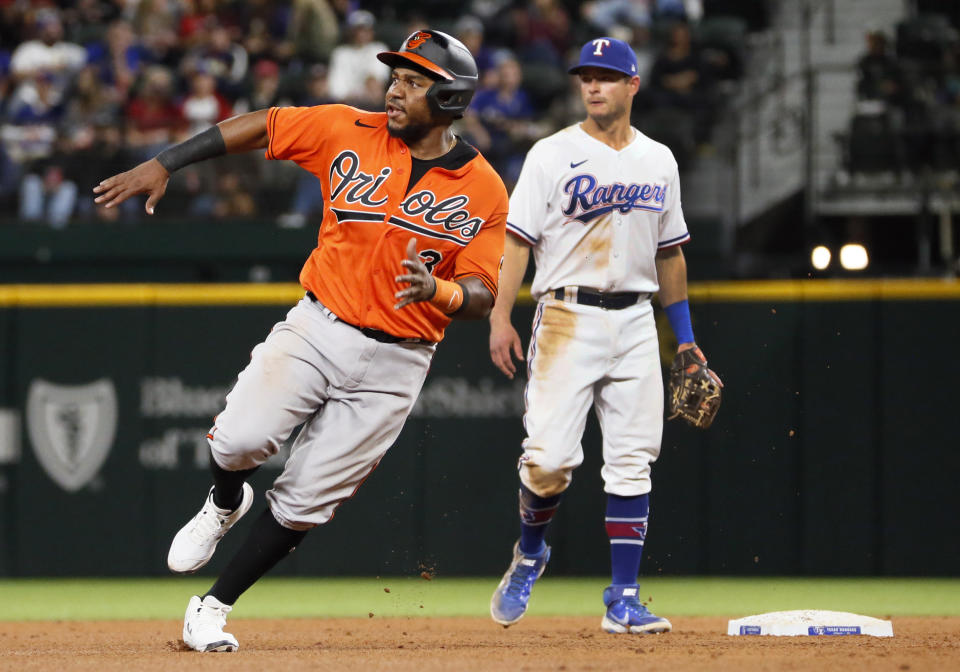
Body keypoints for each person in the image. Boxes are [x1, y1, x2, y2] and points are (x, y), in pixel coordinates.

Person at [94, 29, 506, 653]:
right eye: (396, 77)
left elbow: (481, 291)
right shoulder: (346, 129)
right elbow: (265, 124)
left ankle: (212, 608)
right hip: (320, 325)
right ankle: (224, 500)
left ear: (450, 100)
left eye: (415, 82)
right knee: (237, 440)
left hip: (399, 359)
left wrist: (442, 293)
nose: (395, 89)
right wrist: (166, 162)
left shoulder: (483, 188)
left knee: (307, 500)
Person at [487, 37, 721, 634]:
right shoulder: (550, 153)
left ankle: (623, 598)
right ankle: (531, 551)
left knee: (632, 461)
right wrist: (499, 315)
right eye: (586, 77)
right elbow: (517, 241)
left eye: (607, 77)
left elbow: (671, 256)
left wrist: (686, 339)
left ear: (632, 86)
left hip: (637, 320)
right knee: (549, 463)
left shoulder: (659, 160)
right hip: (566, 315)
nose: (593, 86)